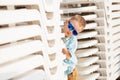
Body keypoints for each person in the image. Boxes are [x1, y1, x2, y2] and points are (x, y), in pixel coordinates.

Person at [62, 14, 86, 80]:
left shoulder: (73, 40)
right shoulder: (57, 31)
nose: (71, 31)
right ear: (66, 22)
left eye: (75, 32)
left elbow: (72, 58)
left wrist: (67, 53)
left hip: (71, 70)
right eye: (70, 27)